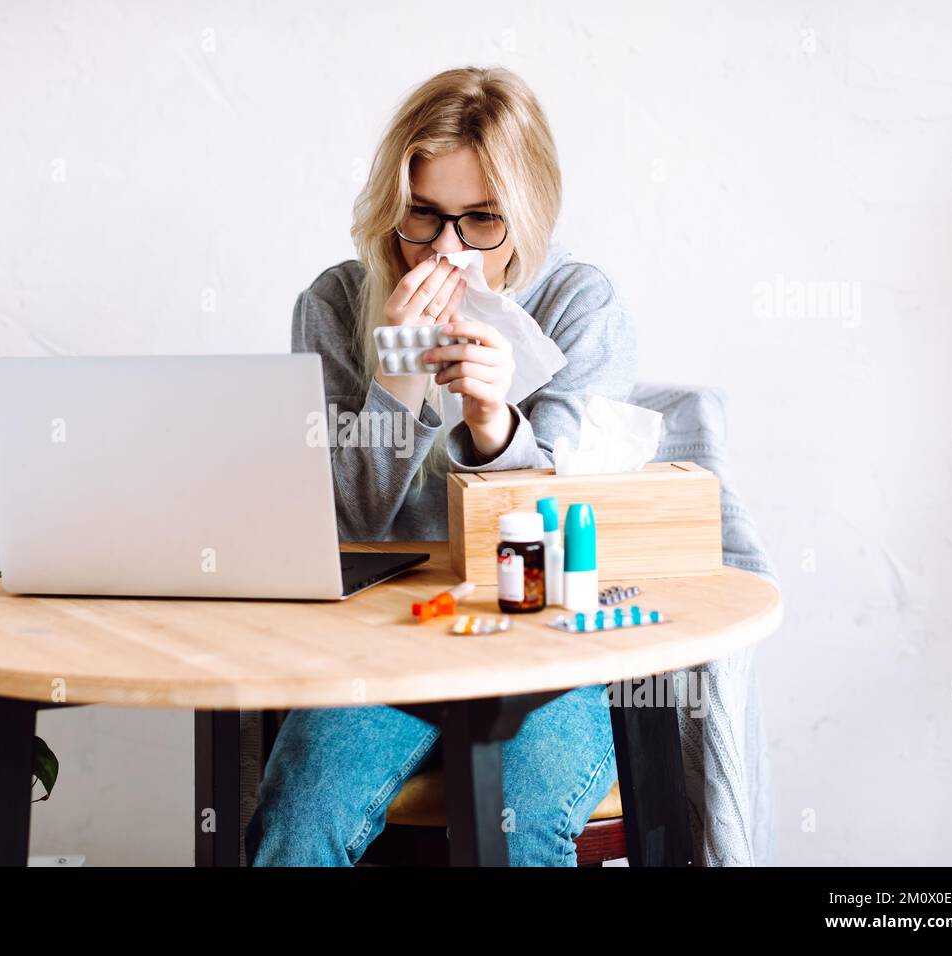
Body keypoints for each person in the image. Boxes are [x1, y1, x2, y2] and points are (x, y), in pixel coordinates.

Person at [245, 66, 637, 866]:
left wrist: (495, 423)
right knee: (299, 813)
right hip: (383, 646)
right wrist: (396, 380)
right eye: (422, 218)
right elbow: (348, 526)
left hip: (543, 652)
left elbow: (570, 525)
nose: (448, 252)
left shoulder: (579, 303)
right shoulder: (333, 303)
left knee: (519, 824)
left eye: (479, 221)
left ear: (524, 217)